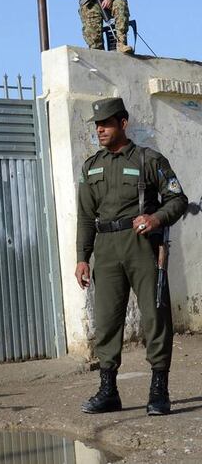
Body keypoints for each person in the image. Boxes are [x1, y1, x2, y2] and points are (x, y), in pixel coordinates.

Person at [75, 97, 187, 415]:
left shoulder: (149, 160)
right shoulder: (91, 166)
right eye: (97, 125)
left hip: (141, 246)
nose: (100, 129)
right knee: (108, 320)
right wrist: (82, 257)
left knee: (155, 317)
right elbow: (85, 215)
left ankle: (158, 390)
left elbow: (177, 198)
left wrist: (156, 219)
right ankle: (108, 390)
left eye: (106, 123)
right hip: (106, 249)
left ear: (123, 123)